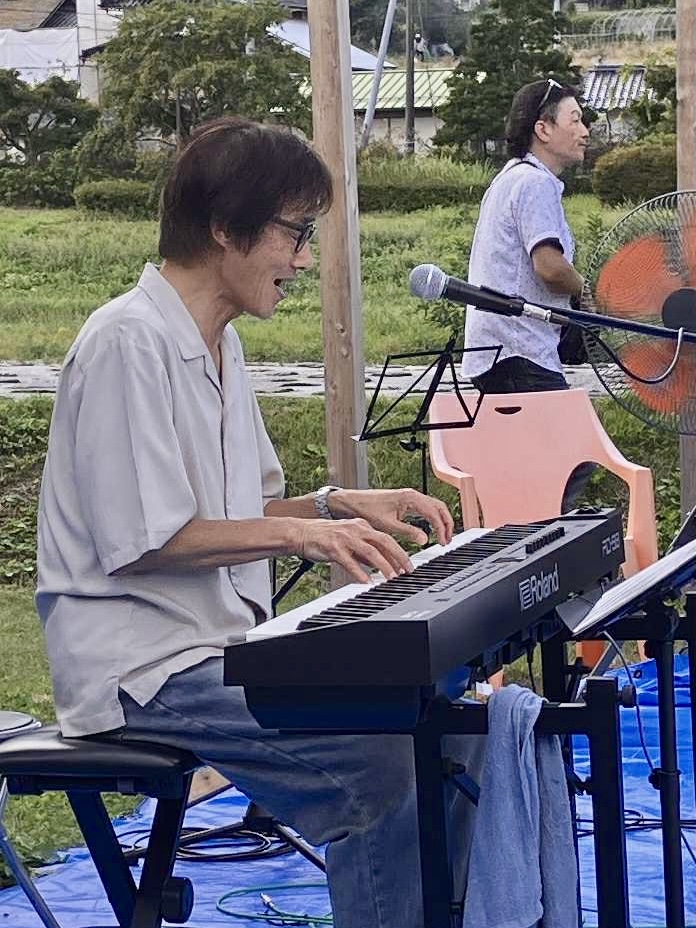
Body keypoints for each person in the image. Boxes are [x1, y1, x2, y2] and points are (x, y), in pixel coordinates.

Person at [36, 116, 483, 928]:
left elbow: (237, 512)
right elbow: (147, 540)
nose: (304, 259)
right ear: (223, 227)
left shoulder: (219, 343)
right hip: (143, 670)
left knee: (451, 725)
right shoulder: (126, 342)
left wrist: (335, 504)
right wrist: (303, 534)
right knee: (380, 763)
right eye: (295, 232)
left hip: (216, 650)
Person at [461, 78, 590, 395]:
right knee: (565, 428)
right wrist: (588, 292)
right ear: (543, 129)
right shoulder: (535, 183)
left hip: (499, 353)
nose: (585, 131)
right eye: (575, 120)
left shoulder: (511, 176)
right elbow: (550, 268)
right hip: (520, 352)